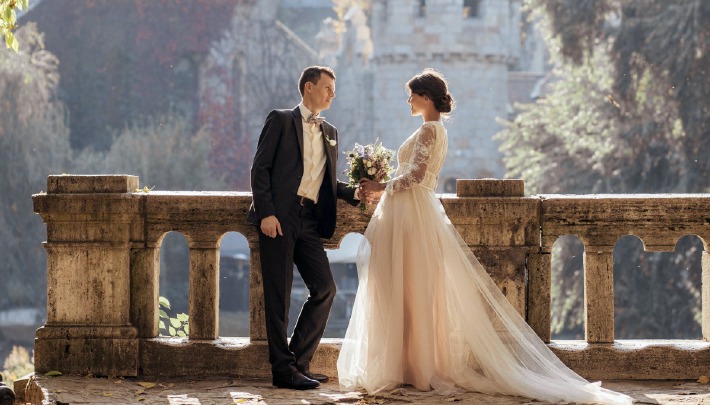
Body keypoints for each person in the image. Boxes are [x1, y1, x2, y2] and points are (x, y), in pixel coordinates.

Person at [336, 69, 633, 404]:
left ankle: (415, 369)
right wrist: (379, 191)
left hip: (412, 216)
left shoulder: (429, 131)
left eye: (412, 94)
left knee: (410, 290)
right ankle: (410, 366)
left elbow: (416, 177)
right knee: (409, 290)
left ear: (427, 97)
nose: (408, 100)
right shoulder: (435, 130)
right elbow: (413, 177)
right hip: (412, 213)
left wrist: (379, 186)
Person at [247, 66, 363, 390]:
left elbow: (327, 182)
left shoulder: (331, 131)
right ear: (309, 87)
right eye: (327, 88)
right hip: (278, 219)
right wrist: (266, 213)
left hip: (309, 221)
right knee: (278, 297)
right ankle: (283, 372)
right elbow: (260, 169)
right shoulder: (280, 120)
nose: (332, 94)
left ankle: (297, 363)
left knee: (325, 288)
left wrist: (354, 193)